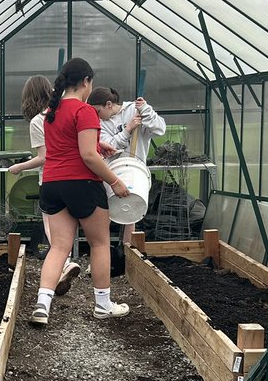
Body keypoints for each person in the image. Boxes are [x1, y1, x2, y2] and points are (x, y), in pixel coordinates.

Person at [29, 57, 130, 325]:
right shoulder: (84, 111)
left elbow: (66, 148)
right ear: (86, 81)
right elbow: (87, 156)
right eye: (90, 83)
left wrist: (100, 146)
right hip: (82, 184)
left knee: (59, 247)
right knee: (99, 243)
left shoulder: (51, 112)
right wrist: (115, 181)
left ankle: (42, 304)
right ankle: (103, 305)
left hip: (52, 184)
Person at [8, 75, 80, 297]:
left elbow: (45, 156)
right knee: (69, 229)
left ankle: (65, 265)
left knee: (53, 231)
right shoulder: (64, 113)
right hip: (74, 177)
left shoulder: (38, 121)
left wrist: (20, 167)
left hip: (50, 180)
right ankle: (60, 272)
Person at [101, 94, 166, 245]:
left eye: (98, 110)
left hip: (135, 170)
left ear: (109, 104)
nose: (97, 115)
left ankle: (127, 252)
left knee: (132, 211)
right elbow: (108, 145)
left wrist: (145, 110)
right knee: (107, 211)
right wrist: (128, 130)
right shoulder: (102, 122)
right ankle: (104, 249)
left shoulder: (135, 110)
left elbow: (159, 129)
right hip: (111, 171)